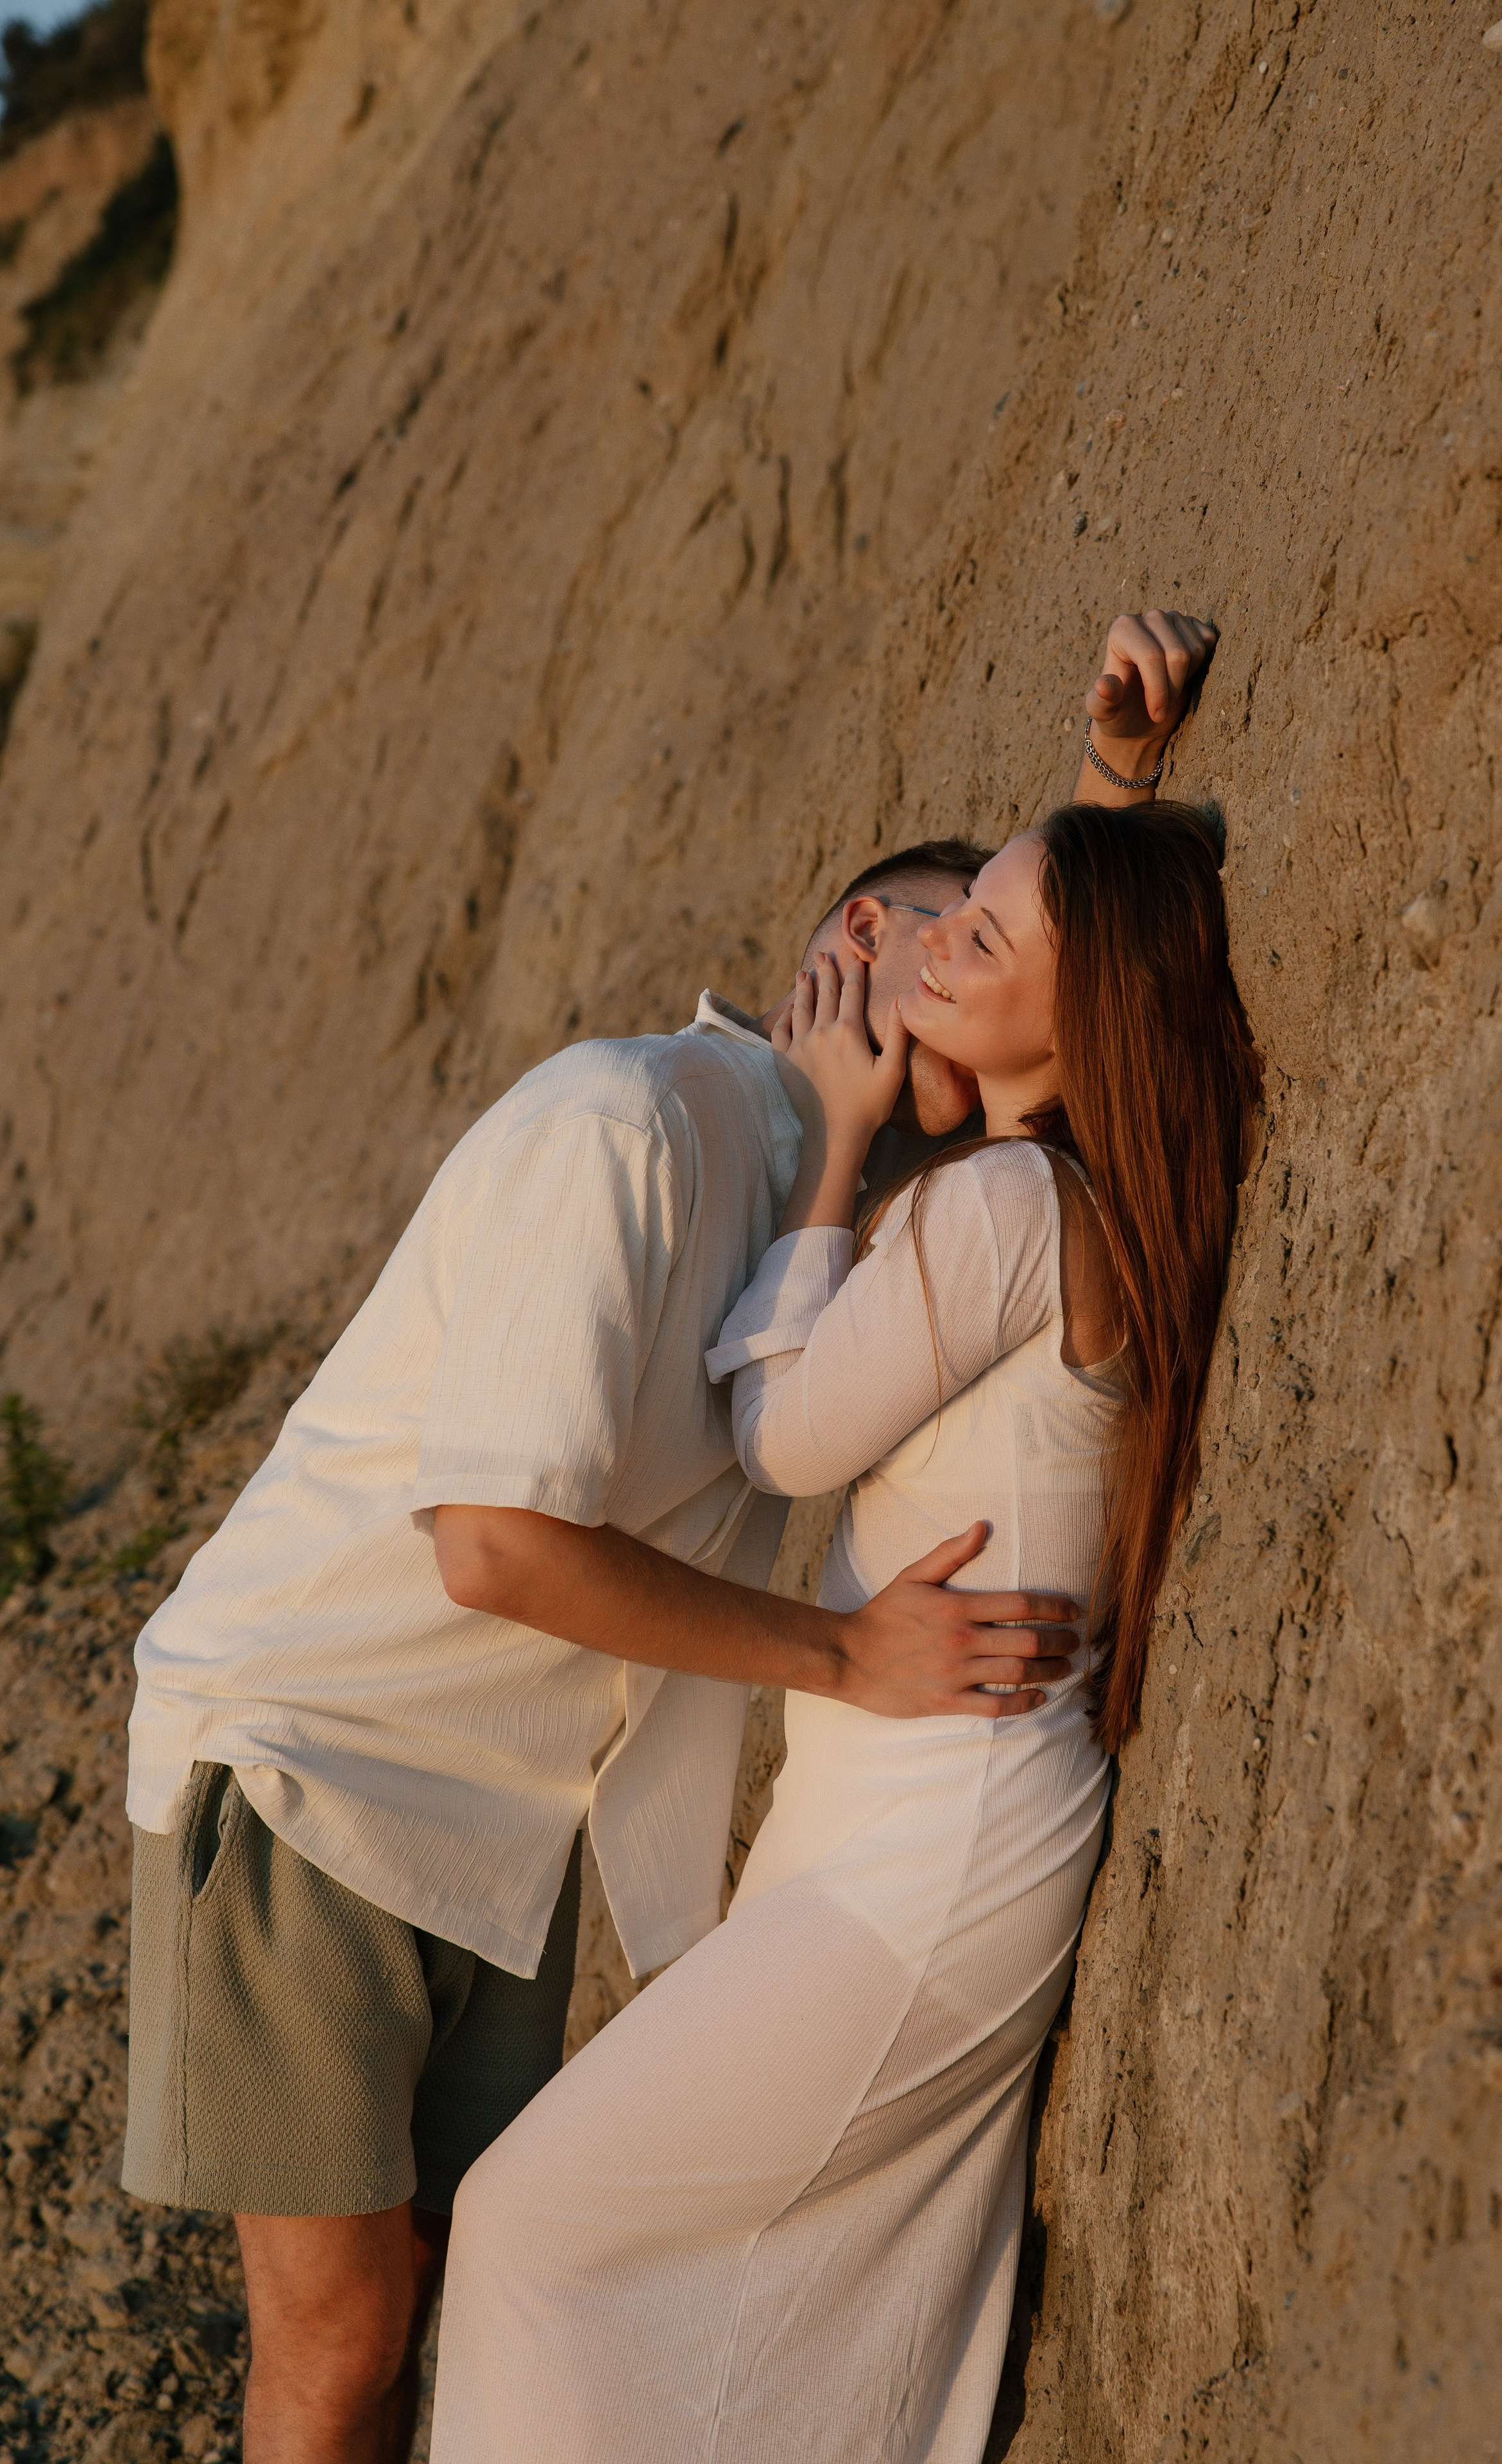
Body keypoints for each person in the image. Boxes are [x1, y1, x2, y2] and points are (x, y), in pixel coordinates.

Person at [120, 816, 1086, 2464]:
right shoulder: (626, 1125)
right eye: (948, 934)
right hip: (309, 1765)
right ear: (856, 941)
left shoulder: (833, 1209)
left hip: (499, 1836)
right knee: (340, 2337)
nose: (969, 970)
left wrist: (1116, 765)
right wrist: (843, 1656)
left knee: (433, 2289)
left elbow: (1074, 946)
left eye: (991, 947)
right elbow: (492, 1546)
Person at [428, 610, 1258, 2463]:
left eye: (978, 941)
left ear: (1077, 1010)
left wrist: (823, 1143)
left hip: (920, 1867)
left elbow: (781, 1430)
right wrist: (1115, 775)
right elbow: (1075, 939)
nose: (931, 952)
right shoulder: (1044, 1193)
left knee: (529, 2225)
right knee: (709, 2300)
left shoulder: (1005, 1210)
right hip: (893, 1848)